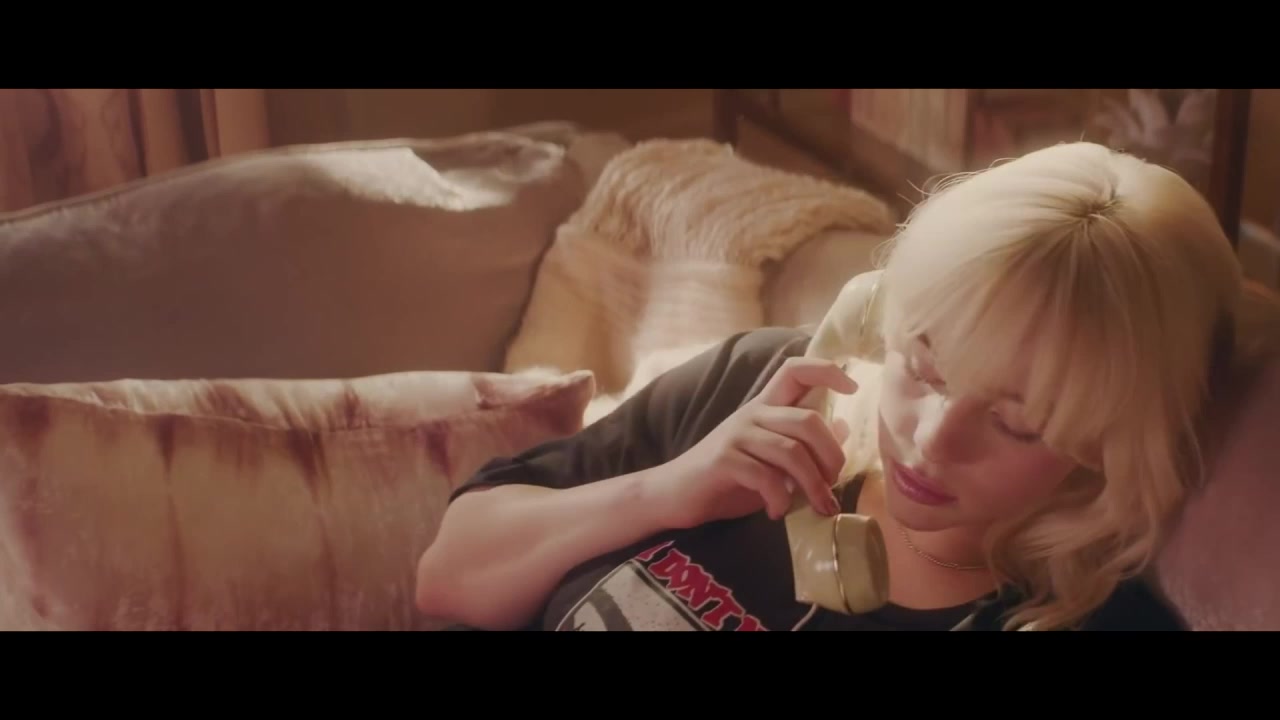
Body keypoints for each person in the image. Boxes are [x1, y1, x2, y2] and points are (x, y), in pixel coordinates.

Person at [414, 141, 1279, 631]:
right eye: (923, 365)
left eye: (1018, 423)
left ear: (1112, 442)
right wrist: (669, 490)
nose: (931, 439)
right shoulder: (761, 385)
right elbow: (446, 576)